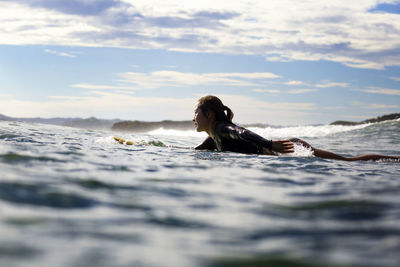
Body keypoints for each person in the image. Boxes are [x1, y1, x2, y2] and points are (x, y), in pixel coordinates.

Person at [192, 95, 399, 161]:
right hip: (284, 153)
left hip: (291, 149)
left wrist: (269, 143)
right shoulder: (213, 138)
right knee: (349, 161)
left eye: (196, 113)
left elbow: (242, 132)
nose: (193, 118)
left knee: (350, 161)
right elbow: (194, 152)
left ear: (209, 115)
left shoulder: (221, 128)